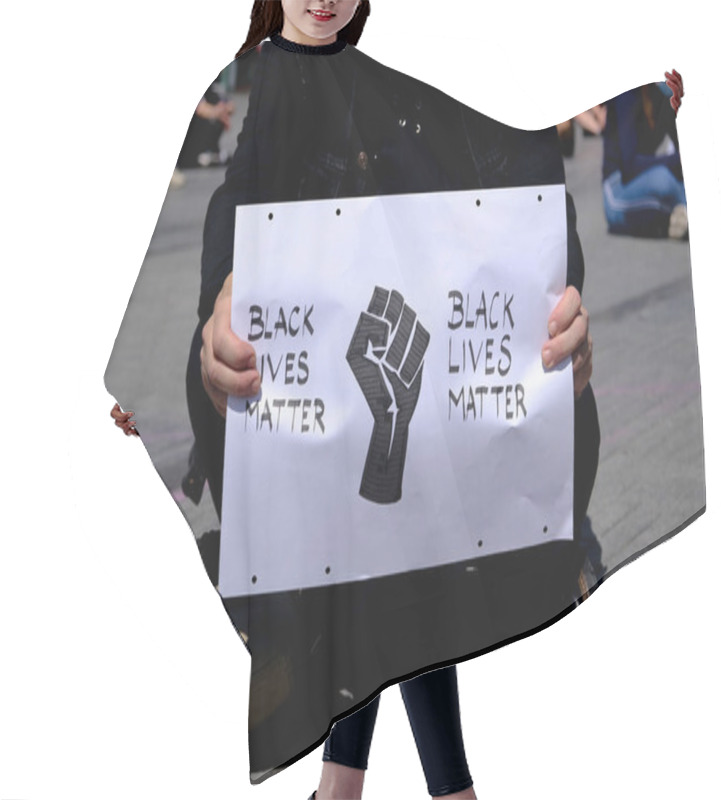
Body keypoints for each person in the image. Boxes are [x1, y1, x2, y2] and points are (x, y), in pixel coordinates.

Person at [109, 2, 681, 795]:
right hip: (354, 410)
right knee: (381, 521)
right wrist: (217, 304)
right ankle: (416, 786)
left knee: (393, 518)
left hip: (436, 398)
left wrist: (565, 290)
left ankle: (355, 783)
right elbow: (239, 194)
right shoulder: (282, 72)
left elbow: (518, 172)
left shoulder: (429, 60)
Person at [602, 68, 687, 238]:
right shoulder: (625, 97)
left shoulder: (656, 96)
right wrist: (676, 161)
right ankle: (677, 217)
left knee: (673, 184)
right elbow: (630, 166)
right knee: (664, 179)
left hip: (645, 183)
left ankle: (679, 216)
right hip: (617, 192)